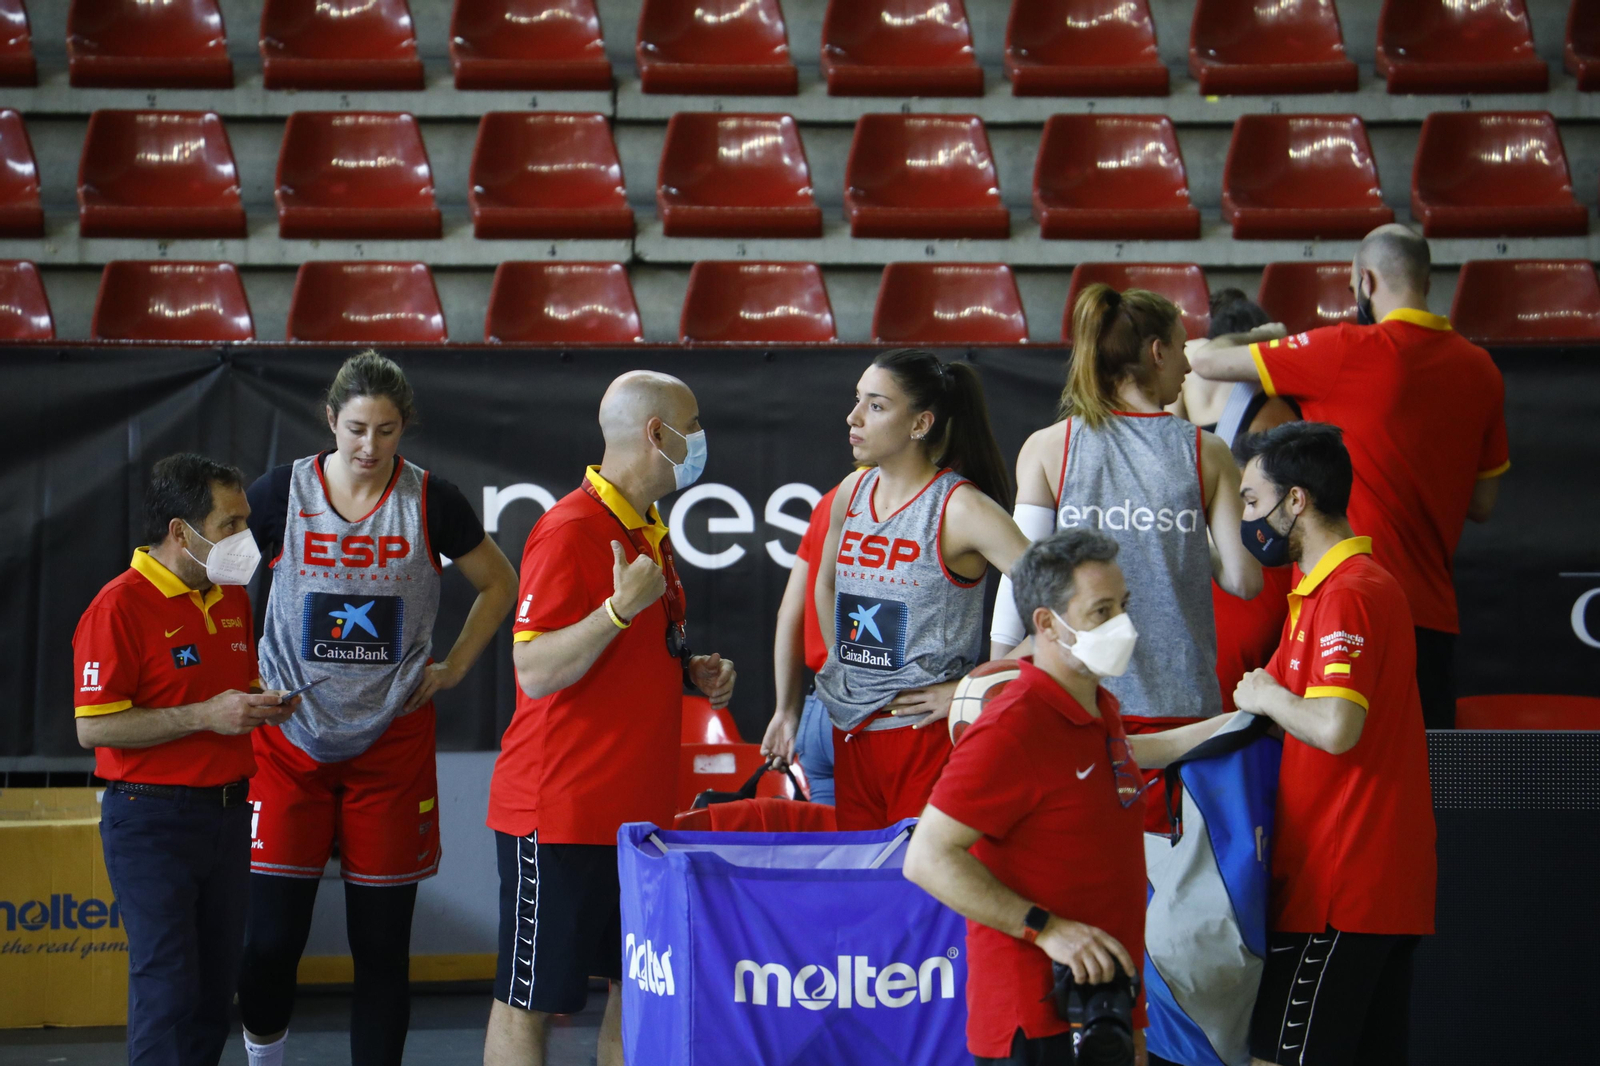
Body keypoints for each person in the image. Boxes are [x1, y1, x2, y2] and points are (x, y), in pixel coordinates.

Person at [239, 352, 519, 1066]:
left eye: (387, 431)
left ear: (404, 428)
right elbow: (214, 583)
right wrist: (242, 677)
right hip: (287, 743)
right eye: (357, 428)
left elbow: (500, 583)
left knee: (383, 947)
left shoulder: (432, 500)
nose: (370, 447)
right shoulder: (279, 493)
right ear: (331, 420)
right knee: (270, 938)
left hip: (389, 744)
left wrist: (454, 665)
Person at [484, 371, 737, 1066]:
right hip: (560, 815)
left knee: (639, 990)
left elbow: (628, 653)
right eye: (694, 426)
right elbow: (534, 670)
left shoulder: (647, 530)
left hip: (638, 819)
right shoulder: (569, 528)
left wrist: (690, 670)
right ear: (658, 433)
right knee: (527, 1001)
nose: (702, 441)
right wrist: (616, 610)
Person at [904, 529, 1230, 1066]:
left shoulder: (1099, 711)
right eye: (1101, 612)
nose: (1123, 626)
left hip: (1103, 1013)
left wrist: (1134, 1017)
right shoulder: (1014, 727)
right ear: (1047, 625)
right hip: (1034, 1023)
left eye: (1123, 606)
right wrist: (1045, 930)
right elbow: (926, 858)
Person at [1192, 224, 1509, 727]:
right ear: (1426, 280)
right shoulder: (1482, 370)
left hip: (1342, 603)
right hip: (1432, 620)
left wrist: (1271, 335)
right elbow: (1482, 503)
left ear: (1365, 281)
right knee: (1421, 778)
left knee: (1329, 767)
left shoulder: (1345, 348)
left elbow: (1206, 360)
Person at [992, 285, 1262, 830]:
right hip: (1183, 701)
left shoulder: (1049, 445)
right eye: (1183, 349)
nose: (1189, 366)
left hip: (1072, 697)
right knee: (1172, 889)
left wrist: (995, 672)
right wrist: (1188, 543)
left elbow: (1019, 578)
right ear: (1157, 352)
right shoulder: (1205, 451)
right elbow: (1244, 580)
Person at [72, 454, 300, 1066]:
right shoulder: (119, 606)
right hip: (151, 822)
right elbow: (92, 726)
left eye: (246, 522)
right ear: (181, 531)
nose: (245, 540)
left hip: (227, 815)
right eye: (230, 525)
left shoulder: (230, 598)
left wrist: (263, 704)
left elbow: (235, 687)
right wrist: (205, 715)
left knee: (209, 995)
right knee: (167, 988)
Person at [1230, 422, 1436, 1066]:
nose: (1245, 518)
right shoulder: (1325, 592)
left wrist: (1265, 694)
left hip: (1342, 889)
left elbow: (1333, 727)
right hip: (1357, 886)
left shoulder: (1349, 593)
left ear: (1297, 500)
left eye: (1251, 500)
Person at [812, 349, 1032, 831]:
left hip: (924, 734)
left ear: (920, 424)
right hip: (851, 729)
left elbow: (1066, 606)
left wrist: (971, 687)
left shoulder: (961, 508)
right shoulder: (851, 492)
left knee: (923, 893)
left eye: (875, 405)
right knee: (869, 890)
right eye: (857, 401)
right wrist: (843, 662)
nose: (853, 418)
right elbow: (826, 583)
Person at [759, 481, 840, 803]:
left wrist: (786, 710)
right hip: (879, 716)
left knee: (832, 849)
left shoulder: (829, 501)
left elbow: (789, 613)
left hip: (818, 713)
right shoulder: (903, 500)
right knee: (900, 851)